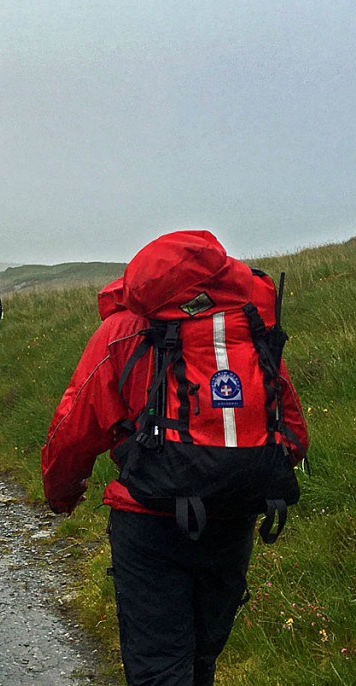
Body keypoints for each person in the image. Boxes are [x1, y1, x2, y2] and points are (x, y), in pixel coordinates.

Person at [41, 230, 308, 685]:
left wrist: (62, 492)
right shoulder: (246, 326)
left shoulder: (123, 330)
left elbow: (75, 425)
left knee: (159, 667)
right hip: (234, 515)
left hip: (149, 519)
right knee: (202, 658)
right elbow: (292, 431)